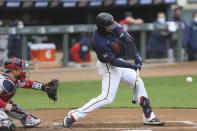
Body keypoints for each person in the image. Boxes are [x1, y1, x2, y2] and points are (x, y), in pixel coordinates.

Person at [63, 12, 164, 128]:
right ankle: (74, 115)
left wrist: (136, 55)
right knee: (107, 98)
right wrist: (133, 66)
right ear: (102, 28)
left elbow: (128, 39)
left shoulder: (112, 25)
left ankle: (149, 116)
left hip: (119, 61)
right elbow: (114, 62)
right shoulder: (98, 41)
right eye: (109, 28)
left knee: (139, 83)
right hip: (109, 66)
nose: (113, 28)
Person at [0, 57, 57, 130]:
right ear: (14, 71)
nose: (24, 71)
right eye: (21, 69)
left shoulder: (14, 80)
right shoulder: (5, 82)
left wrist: (44, 87)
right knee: (7, 126)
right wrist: (4, 105)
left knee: (11, 105)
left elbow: (28, 84)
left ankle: (25, 118)